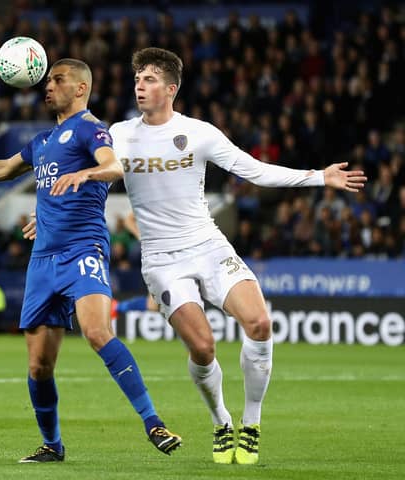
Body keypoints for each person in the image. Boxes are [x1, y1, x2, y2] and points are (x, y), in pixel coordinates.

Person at [51, 48, 366, 465]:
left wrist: (318, 177)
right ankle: (221, 421)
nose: (139, 87)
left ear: (171, 89)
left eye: (148, 80)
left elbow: (253, 169)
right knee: (203, 348)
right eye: (137, 80)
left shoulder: (200, 133)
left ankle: (250, 423)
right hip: (163, 259)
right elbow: (97, 183)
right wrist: (53, 219)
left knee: (259, 321)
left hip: (208, 244)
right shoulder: (120, 134)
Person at [0, 58, 181, 463]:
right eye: (48, 80)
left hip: (83, 250)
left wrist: (86, 175)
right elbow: (3, 168)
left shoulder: (92, 129)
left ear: (81, 89)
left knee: (96, 332)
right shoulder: (41, 141)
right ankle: (52, 445)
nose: (47, 86)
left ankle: (153, 422)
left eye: (58, 80)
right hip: (43, 260)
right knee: (38, 367)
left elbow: (113, 165)